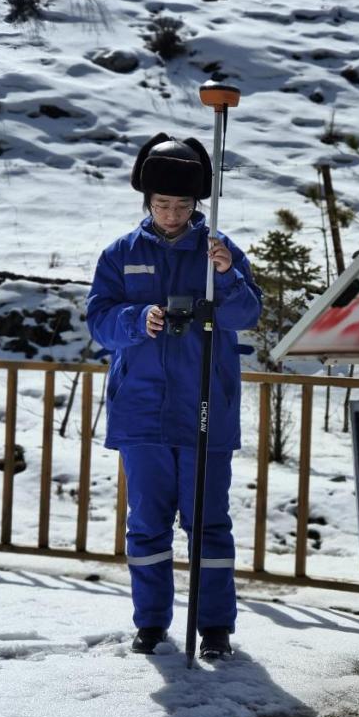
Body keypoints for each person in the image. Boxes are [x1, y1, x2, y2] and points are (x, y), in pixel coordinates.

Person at [86, 133, 262, 659]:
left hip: (206, 409)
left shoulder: (218, 251)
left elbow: (246, 315)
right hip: (140, 413)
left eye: (182, 206)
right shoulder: (121, 254)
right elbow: (99, 321)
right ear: (147, 201)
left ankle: (215, 628)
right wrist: (137, 319)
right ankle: (150, 623)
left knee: (208, 525)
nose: (171, 214)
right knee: (146, 525)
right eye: (162, 204)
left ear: (195, 204)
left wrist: (227, 275)